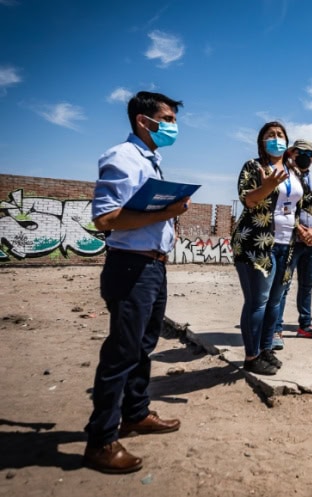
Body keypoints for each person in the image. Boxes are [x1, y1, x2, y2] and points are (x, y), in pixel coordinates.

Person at [84, 91, 190, 474]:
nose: (174, 126)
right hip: (130, 267)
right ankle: (100, 441)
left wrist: (170, 213)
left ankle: (136, 413)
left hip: (153, 267)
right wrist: (165, 212)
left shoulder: (152, 162)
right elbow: (106, 219)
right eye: (168, 119)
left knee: (144, 346)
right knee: (122, 352)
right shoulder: (122, 158)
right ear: (144, 121)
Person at [232, 123, 312, 375]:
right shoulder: (254, 167)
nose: (276, 138)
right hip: (257, 244)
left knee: (274, 301)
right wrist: (267, 186)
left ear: (286, 144)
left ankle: (266, 349)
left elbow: (311, 203)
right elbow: (248, 199)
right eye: (271, 135)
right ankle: (251, 356)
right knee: (258, 301)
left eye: (280, 135)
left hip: (286, 245)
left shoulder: (293, 172)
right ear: (261, 141)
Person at [273, 139, 312, 342]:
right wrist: (298, 228)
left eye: (309, 154)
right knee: (283, 285)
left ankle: (306, 325)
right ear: (292, 154)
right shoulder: (284, 177)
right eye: (300, 153)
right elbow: (281, 207)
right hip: (290, 241)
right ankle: (276, 329)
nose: (305, 157)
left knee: (307, 285)